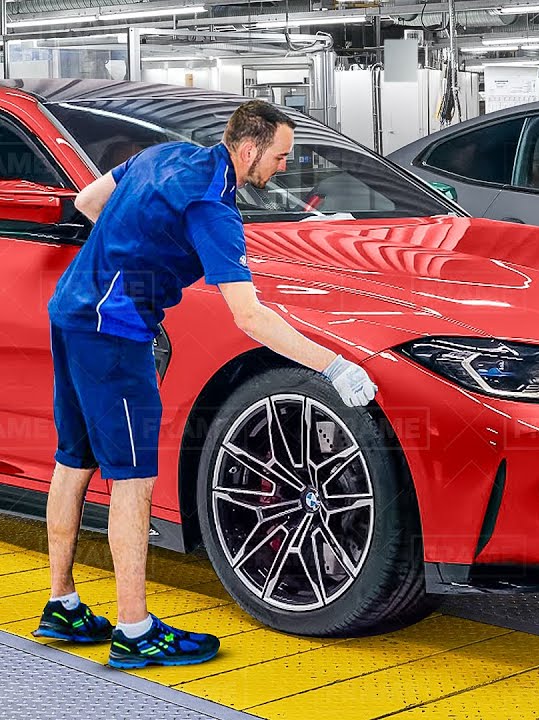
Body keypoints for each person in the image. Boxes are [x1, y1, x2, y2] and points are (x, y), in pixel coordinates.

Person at [35, 100, 378, 669]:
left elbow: (88, 202)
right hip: (115, 334)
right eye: (280, 156)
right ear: (249, 151)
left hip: (71, 310)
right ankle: (135, 631)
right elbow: (251, 318)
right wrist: (335, 366)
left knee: (74, 459)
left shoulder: (165, 154)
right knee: (133, 479)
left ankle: (62, 604)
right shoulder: (213, 209)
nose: (283, 169)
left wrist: (137, 253)